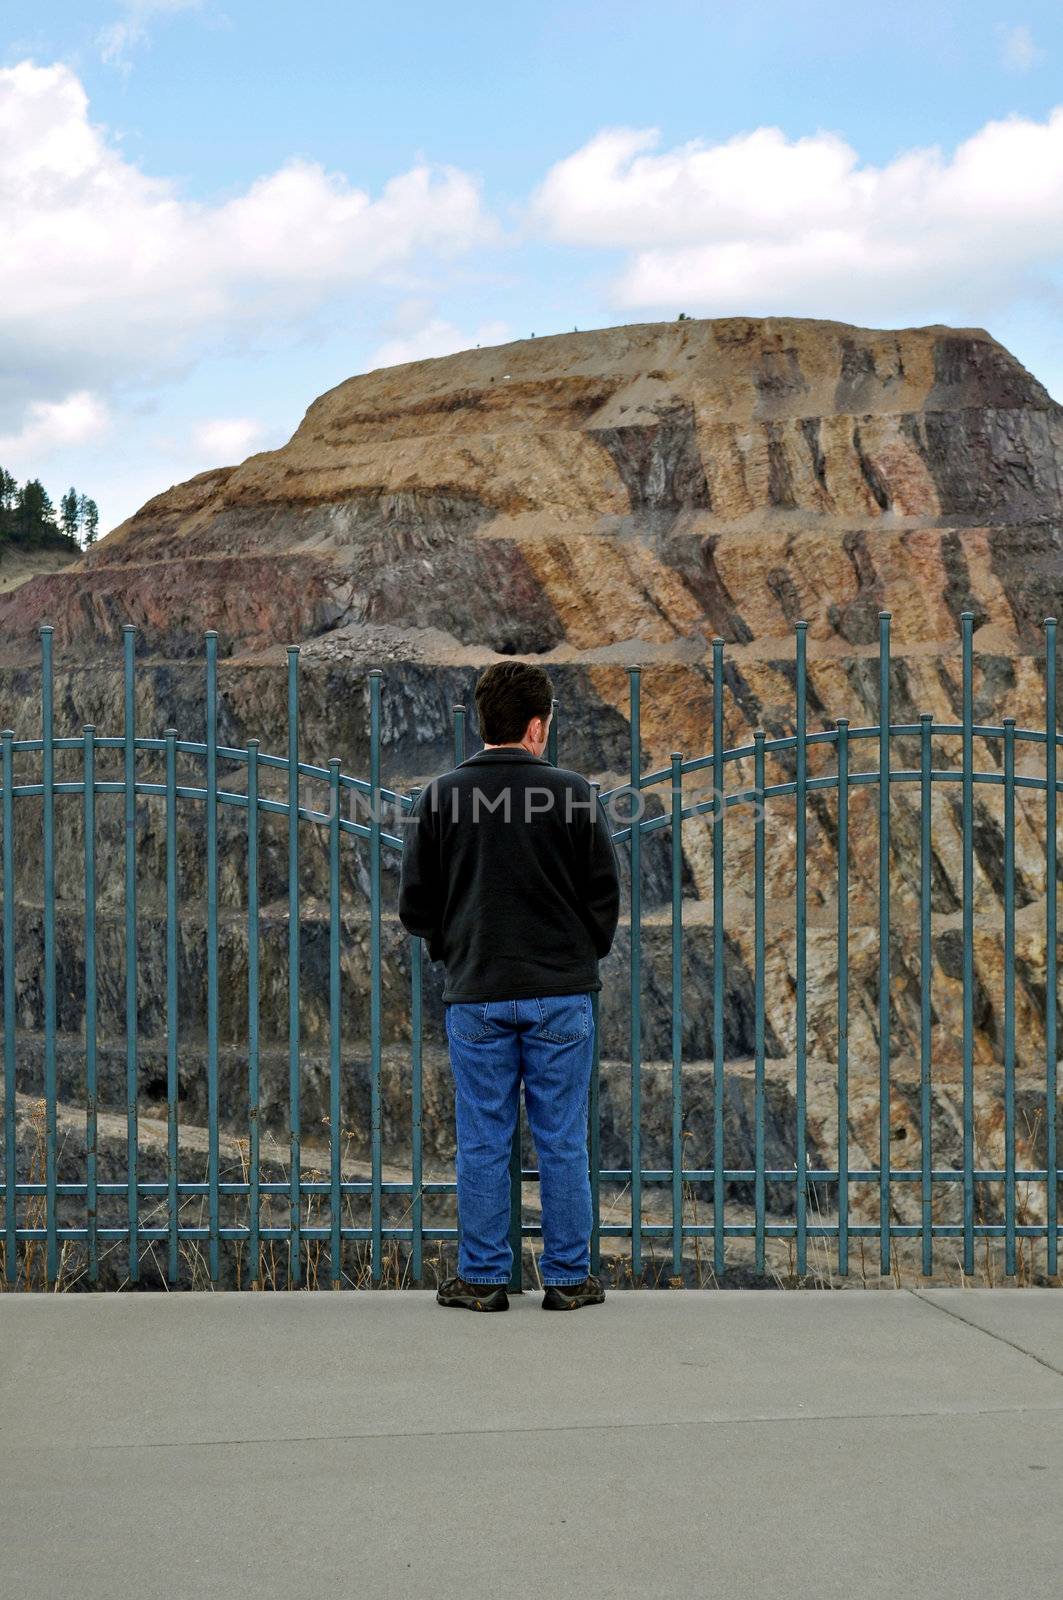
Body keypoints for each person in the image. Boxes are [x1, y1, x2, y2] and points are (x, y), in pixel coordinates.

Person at [398, 660, 621, 1312]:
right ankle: (568, 1279)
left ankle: (485, 1277)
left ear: (482, 722)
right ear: (535, 726)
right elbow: (603, 897)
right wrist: (578, 957)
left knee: (483, 1140)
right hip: (560, 993)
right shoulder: (574, 793)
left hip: (477, 992)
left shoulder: (441, 797)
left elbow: (416, 907)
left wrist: (455, 949)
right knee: (561, 1140)